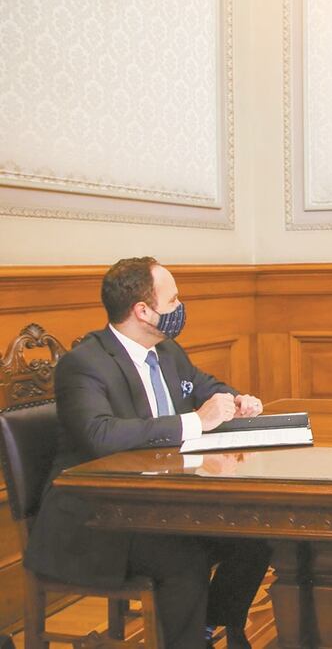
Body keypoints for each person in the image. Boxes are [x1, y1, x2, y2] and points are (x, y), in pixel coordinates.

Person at [24, 257, 272, 649]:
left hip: (160, 503)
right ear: (143, 310)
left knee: (255, 535)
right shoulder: (84, 364)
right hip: (96, 516)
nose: (180, 308)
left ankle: (206, 627)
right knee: (183, 558)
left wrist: (233, 399)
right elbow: (100, 435)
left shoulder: (167, 351)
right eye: (173, 300)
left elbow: (202, 386)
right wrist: (195, 422)